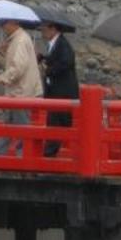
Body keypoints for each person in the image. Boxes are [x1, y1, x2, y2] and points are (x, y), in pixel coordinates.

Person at [0, 19, 43, 156]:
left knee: (20, 125)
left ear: (13, 23)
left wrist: (4, 78)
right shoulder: (19, 39)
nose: (3, 27)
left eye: (5, 24)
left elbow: (18, 67)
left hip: (21, 91)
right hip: (19, 90)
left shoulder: (20, 40)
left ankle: (23, 155)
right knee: (9, 122)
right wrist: (5, 51)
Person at [40, 15, 79, 157]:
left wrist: (49, 69)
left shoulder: (62, 44)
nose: (42, 32)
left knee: (59, 121)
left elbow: (66, 62)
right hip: (55, 91)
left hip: (62, 91)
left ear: (53, 29)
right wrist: (43, 58)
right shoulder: (55, 44)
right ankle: (51, 151)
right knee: (56, 121)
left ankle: (50, 152)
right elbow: (56, 59)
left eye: (45, 29)